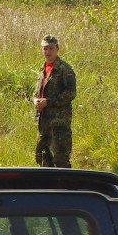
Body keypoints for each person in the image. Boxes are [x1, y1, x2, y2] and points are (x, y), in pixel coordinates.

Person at [32, 34, 76, 168]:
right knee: (42, 157)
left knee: (61, 158)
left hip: (59, 123)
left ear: (57, 49)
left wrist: (48, 102)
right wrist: (35, 100)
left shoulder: (64, 69)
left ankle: (65, 182)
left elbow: (71, 93)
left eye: (51, 48)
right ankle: (47, 182)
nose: (48, 52)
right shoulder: (43, 68)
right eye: (45, 49)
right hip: (43, 121)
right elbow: (36, 92)